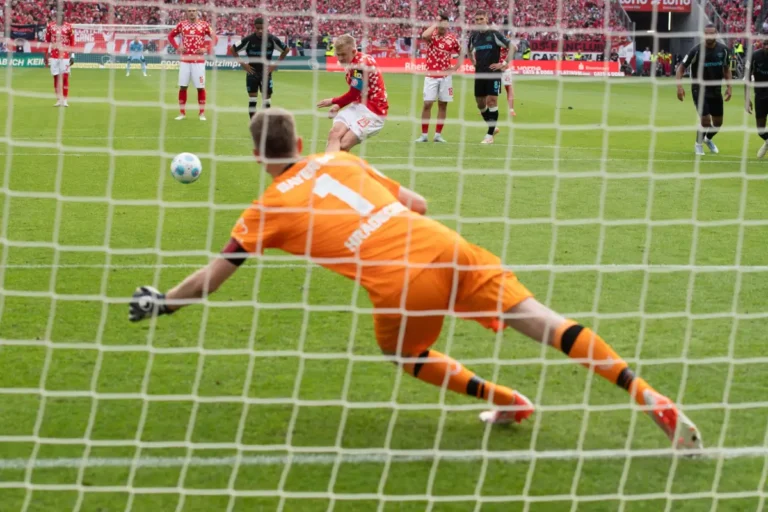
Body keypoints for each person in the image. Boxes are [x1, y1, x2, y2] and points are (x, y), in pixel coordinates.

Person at [127, 107, 703, 451]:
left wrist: (165, 303)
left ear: (258, 157)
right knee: (544, 321)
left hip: (402, 283)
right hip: (445, 245)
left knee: (404, 353)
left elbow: (215, 277)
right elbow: (420, 202)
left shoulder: (264, 210)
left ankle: (508, 400)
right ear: (300, 144)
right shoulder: (342, 161)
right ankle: (640, 389)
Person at [316, 34, 389, 152]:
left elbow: (354, 93)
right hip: (358, 106)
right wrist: (339, 105)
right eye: (338, 55)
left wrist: (333, 101)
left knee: (344, 144)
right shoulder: (353, 62)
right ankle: (328, 167)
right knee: (334, 134)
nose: (340, 58)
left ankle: (338, 168)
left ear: (354, 51)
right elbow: (357, 93)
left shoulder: (361, 65)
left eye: (343, 54)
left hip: (373, 111)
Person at [676, 24, 732, 156]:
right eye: (706, 33)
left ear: (716, 34)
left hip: (716, 90)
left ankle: (708, 139)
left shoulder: (723, 50)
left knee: (718, 123)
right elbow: (681, 68)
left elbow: (726, 69)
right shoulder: (696, 51)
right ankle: (698, 144)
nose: (709, 36)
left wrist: (729, 87)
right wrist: (679, 86)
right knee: (706, 120)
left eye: (711, 33)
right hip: (699, 89)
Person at [468, 11, 514, 144]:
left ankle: (489, 136)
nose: (479, 22)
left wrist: (503, 64)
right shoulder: (474, 37)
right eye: (476, 19)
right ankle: (492, 127)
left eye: (481, 19)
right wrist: (473, 63)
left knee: (492, 101)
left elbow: (513, 47)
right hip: (479, 73)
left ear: (486, 19)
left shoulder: (494, 34)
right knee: (480, 103)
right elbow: (469, 51)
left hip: (493, 73)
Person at [230, 18, 289, 119]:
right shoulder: (248, 40)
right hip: (252, 73)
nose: (260, 31)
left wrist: (274, 65)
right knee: (252, 100)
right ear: (254, 28)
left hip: (266, 73)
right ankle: (254, 126)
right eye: (258, 28)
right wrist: (243, 64)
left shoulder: (272, 39)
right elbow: (233, 49)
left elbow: (286, 49)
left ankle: (265, 126)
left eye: (262, 28)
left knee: (266, 101)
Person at [415, 13, 461, 143]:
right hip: (431, 75)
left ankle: (437, 135)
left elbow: (461, 52)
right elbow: (424, 36)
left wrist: (454, 68)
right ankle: (424, 135)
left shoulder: (452, 39)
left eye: (445, 22)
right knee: (427, 103)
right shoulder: (432, 36)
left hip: (445, 76)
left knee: (443, 105)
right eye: (441, 22)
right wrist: (436, 22)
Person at [167, 7, 217, 121]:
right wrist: (177, 47)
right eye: (189, 11)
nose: (191, 13)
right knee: (183, 87)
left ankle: (201, 113)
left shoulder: (204, 25)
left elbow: (215, 38)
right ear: (186, 13)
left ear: (196, 12)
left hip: (198, 61)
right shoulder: (181, 25)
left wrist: (206, 49)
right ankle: (182, 113)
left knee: (200, 87)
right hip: (185, 61)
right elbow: (170, 36)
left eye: (193, 11)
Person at [44, 15, 75, 107]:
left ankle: (65, 100)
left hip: (65, 56)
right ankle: (58, 99)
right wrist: (45, 54)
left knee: (65, 77)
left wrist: (72, 55)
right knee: (56, 78)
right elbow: (47, 41)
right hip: (54, 56)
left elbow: (72, 42)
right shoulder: (50, 26)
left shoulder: (69, 27)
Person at [744, 39, 768, 157]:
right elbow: (747, 78)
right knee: (760, 129)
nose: (767, 47)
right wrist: (747, 98)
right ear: (762, 45)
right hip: (760, 95)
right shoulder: (754, 56)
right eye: (765, 44)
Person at [498, 18, 518, 118]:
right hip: (496, 68)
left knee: (508, 88)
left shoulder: (508, 38)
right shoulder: (498, 36)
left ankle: (511, 110)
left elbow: (515, 48)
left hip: (505, 68)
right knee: (491, 90)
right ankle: (488, 109)